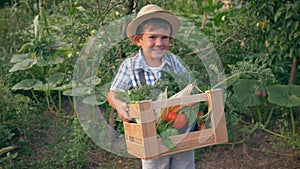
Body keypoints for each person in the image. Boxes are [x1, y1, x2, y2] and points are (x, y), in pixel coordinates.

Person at [106, 4, 196, 169]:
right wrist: (119, 105)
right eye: (152, 37)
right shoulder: (130, 65)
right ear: (138, 40)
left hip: (180, 131)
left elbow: (189, 87)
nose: (159, 43)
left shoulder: (173, 62)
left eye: (164, 38)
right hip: (150, 135)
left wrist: (191, 105)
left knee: (184, 164)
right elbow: (113, 93)